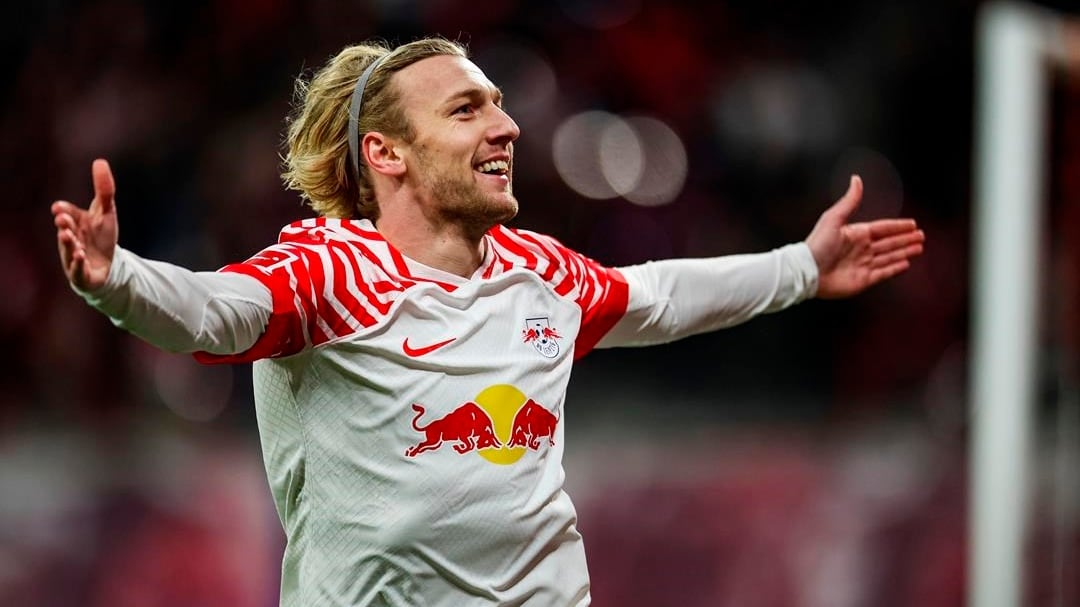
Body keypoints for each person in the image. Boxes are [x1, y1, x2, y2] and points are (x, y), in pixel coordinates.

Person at [51, 36, 925, 607]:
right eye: (467, 109)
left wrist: (803, 267)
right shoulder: (329, 272)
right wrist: (116, 278)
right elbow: (209, 312)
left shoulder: (538, 272)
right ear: (386, 153)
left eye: (498, 103)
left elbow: (661, 295)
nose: (506, 126)